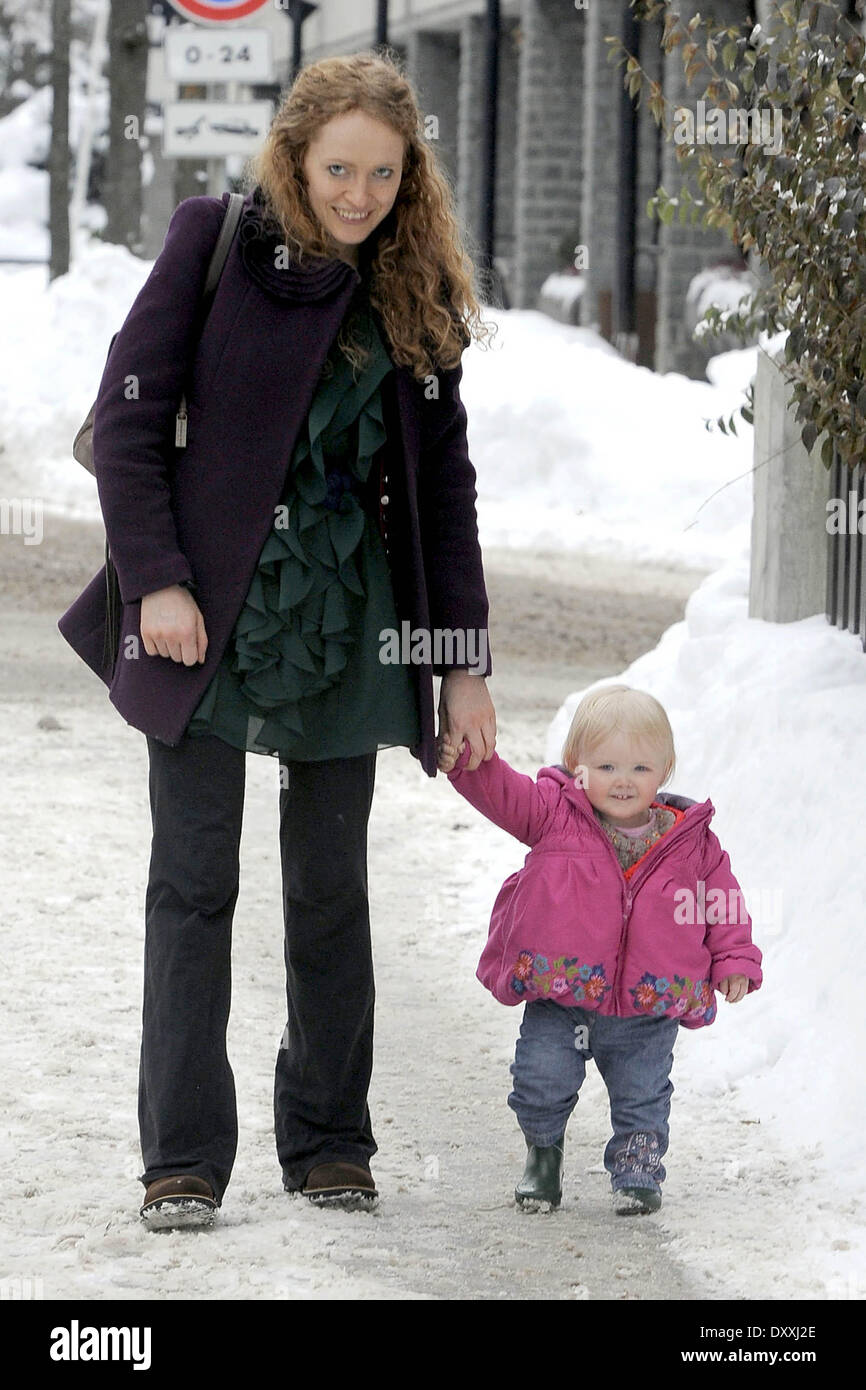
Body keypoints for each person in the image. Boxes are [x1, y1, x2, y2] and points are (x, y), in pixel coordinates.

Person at [58, 51, 497, 1228]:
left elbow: (444, 493)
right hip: (207, 610)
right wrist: (154, 579)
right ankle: (183, 1160)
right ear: (296, 157)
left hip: (353, 625)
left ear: (411, 176)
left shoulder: (414, 291)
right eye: (338, 167)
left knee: (328, 891)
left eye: (383, 173)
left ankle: (328, 1142)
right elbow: (130, 423)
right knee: (193, 885)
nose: (358, 193)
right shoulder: (215, 243)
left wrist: (460, 662)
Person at [436, 683, 762, 1215]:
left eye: (640, 768)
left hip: (646, 1010)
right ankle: (543, 1155)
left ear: (664, 770)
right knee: (540, 1080)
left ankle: (637, 1171)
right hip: (561, 997)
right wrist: (468, 762)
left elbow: (721, 903)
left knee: (644, 1095)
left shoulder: (690, 843)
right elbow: (503, 792)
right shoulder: (552, 815)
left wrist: (735, 959)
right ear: (576, 765)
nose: (624, 781)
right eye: (607, 767)